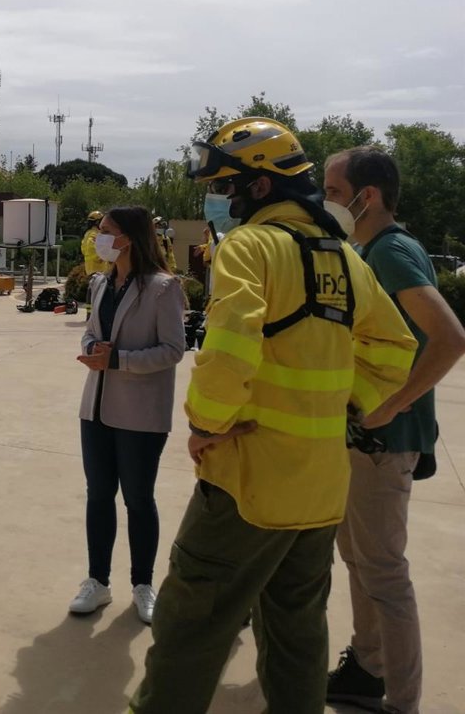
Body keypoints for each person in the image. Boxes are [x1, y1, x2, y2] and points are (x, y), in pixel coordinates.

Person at [129, 117, 416, 714]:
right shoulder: (346, 258)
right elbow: (395, 346)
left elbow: (230, 344)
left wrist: (207, 425)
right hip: (321, 488)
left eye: (226, 187)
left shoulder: (249, 246)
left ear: (259, 186)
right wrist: (346, 403)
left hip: (248, 483)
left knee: (190, 626)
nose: (221, 200)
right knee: (296, 632)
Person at [323, 147, 465, 714]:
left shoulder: (390, 251)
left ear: (368, 196)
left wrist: (393, 407)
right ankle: (367, 668)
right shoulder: (371, 249)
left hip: (382, 443)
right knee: (361, 562)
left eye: (334, 192)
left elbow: (450, 337)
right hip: (364, 440)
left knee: (382, 573)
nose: (327, 201)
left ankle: (402, 701)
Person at [71, 206, 186, 626]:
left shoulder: (162, 288)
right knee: (99, 495)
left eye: (106, 231)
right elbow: (91, 331)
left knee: (138, 498)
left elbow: (173, 350)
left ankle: (143, 584)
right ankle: (97, 581)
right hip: (96, 408)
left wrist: (119, 360)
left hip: (140, 413)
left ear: (129, 238)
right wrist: (92, 348)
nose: (99, 238)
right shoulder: (101, 283)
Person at [80, 210, 104, 276]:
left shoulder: (88, 233)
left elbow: (83, 250)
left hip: (90, 267)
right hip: (97, 267)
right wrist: (102, 258)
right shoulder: (94, 234)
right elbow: (91, 249)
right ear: (97, 222)